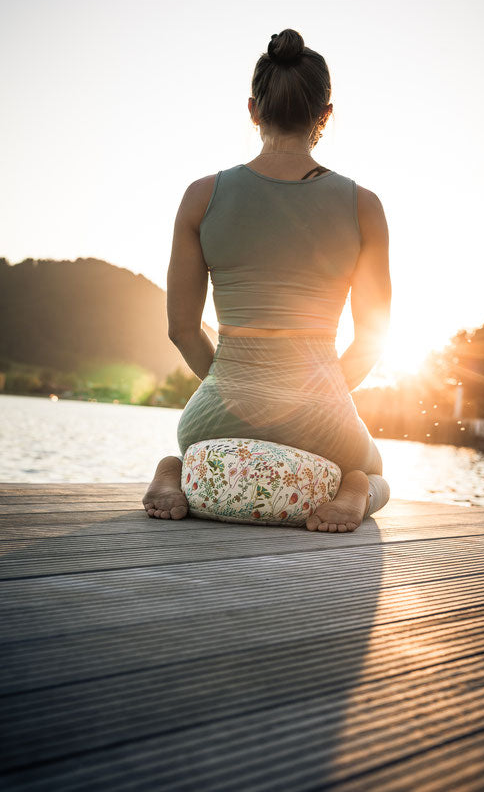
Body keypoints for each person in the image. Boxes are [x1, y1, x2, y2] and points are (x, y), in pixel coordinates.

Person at [142, 28, 392, 533]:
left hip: (216, 414)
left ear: (254, 110)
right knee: (376, 470)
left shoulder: (201, 196)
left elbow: (181, 329)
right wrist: (321, 395)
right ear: (325, 115)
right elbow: (372, 337)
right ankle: (356, 488)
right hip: (322, 416)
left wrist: (234, 383)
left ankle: (174, 469)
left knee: (189, 449)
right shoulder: (364, 206)